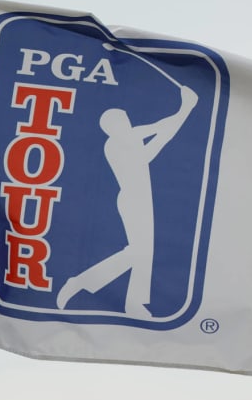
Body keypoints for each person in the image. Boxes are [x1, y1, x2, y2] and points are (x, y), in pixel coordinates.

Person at [56, 85, 198, 317]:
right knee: (139, 253)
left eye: (126, 118)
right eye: (122, 120)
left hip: (141, 199)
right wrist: (186, 107)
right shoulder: (115, 144)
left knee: (142, 253)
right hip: (132, 200)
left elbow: (161, 138)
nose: (127, 121)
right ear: (112, 127)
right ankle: (82, 282)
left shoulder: (130, 138)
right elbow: (159, 132)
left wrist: (185, 110)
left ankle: (131, 302)